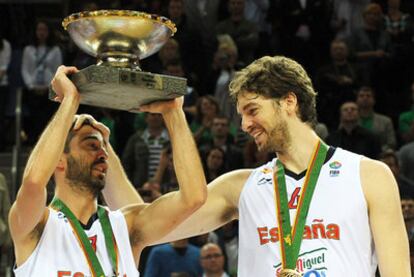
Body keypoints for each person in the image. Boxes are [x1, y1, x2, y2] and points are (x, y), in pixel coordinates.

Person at [154, 56, 410, 276]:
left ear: (289, 101)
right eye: (241, 116)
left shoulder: (369, 176)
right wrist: (172, 115)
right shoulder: (240, 187)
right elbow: (149, 227)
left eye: (252, 110)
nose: (244, 125)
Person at [9, 65, 207, 276]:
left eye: (104, 148)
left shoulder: (126, 226)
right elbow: (33, 182)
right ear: (59, 159)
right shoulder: (37, 225)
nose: (103, 154)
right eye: (91, 145)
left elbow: (193, 197)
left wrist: (173, 113)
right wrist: (70, 100)